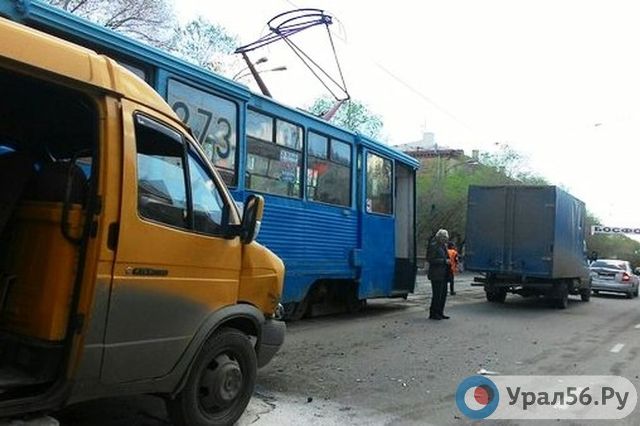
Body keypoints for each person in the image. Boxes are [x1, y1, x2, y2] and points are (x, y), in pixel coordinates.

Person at [427, 229, 451, 320]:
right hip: (436, 274)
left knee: (443, 294)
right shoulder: (434, 246)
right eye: (444, 238)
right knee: (437, 295)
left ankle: (440, 312)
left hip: (444, 274)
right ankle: (433, 313)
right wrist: (444, 261)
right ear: (439, 237)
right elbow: (430, 259)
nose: (445, 239)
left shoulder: (443, 246)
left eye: (446, 238)